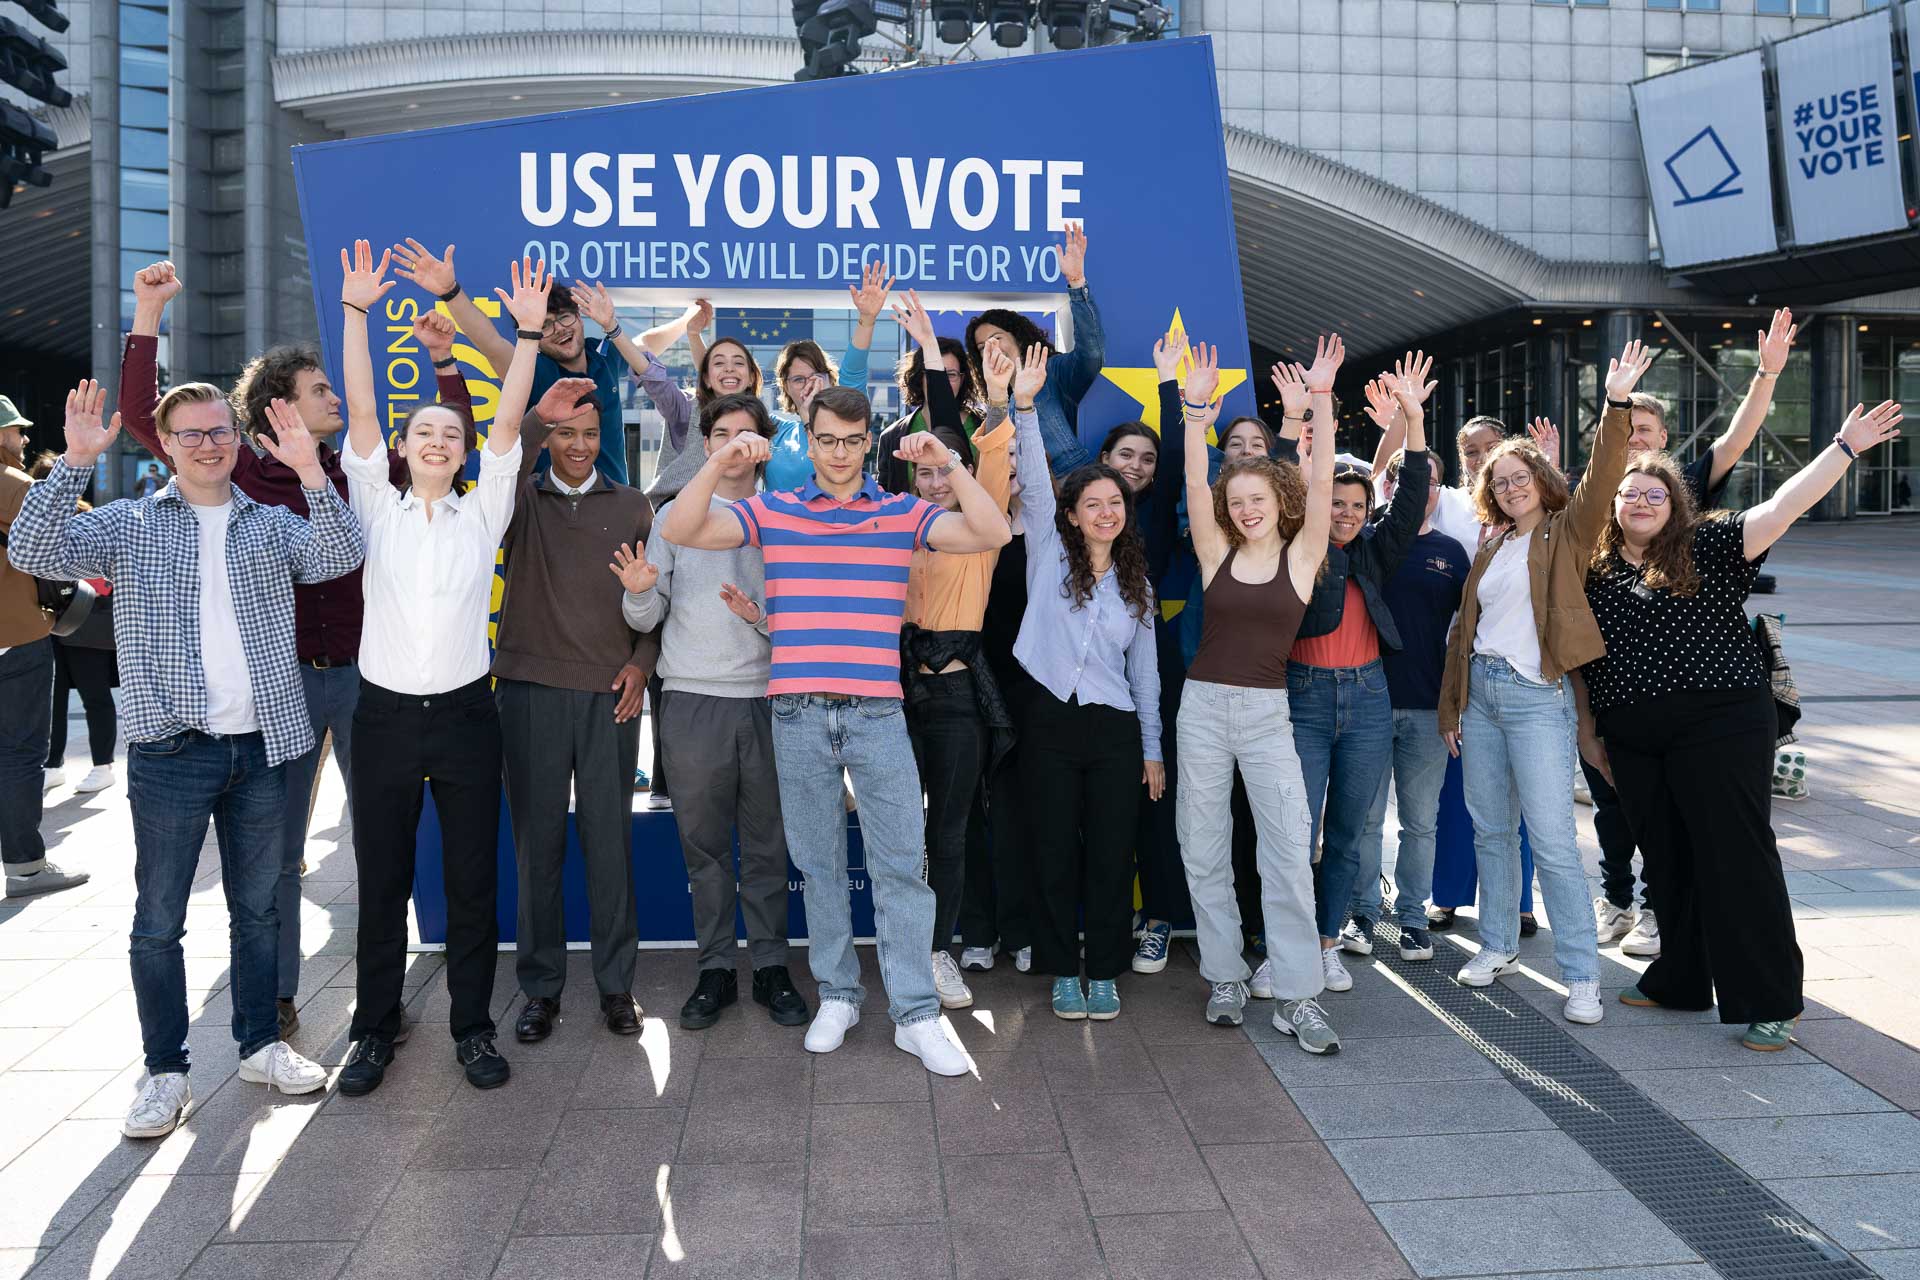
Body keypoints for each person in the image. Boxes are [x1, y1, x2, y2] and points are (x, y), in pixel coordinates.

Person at [120, 259, 472, 1040]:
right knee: (274, 852)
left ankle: (386, 991)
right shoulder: (238, 468)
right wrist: (147, 315)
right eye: (321, 391)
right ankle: (275, 995)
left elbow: (453, 444)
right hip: (277, 689)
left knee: (379, 838)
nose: (335, 401)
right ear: (281, 404)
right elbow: (150, 420)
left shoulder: (358, 470)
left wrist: (446, 365)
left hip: (364, 683)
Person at [9, 378, 359, 1136]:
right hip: (171, 749)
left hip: (266, 747)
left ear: (237, 440)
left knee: (260, 909)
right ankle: (165, 1072)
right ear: (164, 444)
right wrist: (70, 462)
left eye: (220, 433)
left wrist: (309, 471)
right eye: (192, 434)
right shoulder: (131, 524)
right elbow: (32, 548)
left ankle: (261, 1045)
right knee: (158, 921)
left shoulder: (269, 522)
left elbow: (339, 554)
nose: (208, 445)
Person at [659, 384, 1009, 1075]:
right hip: (796, 711)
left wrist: (949, 463)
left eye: (854, 440)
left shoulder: (903, 510)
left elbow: (992, 531)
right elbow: (680, 527)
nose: (841, 453)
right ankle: (840, 995)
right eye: (828, 440)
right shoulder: (776, 508)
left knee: (902, 867)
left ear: (866, 439)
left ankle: (915, 1013)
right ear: (809, 440)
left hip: (878, 711)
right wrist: (724, 457)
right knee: (819, 865)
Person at [1579, 400, 1900, 1050]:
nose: (1639, 501)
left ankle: (1771, 997)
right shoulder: (1596, 569)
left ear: (1675, 503)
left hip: (1721, 723)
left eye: (1653, 493)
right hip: (1633, 735)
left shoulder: (1710, 544)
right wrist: (1589, 731)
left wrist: (1842, 448)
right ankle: (1682, 978)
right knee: (1667, 857)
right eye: (1628, 494)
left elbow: (1783, 506)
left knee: (1736, 856)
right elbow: (1582, 661)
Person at [334, 243, 540, 1097]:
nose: (436, 440)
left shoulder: (483, 510)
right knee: (379, 878)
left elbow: (510, 420)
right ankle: (374, 1029)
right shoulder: (373, 502)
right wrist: (356, 314)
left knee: (469, 882)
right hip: (381, 716)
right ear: (403, 445)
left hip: (463, 716)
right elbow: (358, 409)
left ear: (462, 453)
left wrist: (526, 335)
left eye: (449, 434)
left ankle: (471, 1027)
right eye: (423, 431)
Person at [1438, 339, 1652, 1025]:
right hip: (1484, 697)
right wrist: (1453, 709)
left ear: (1539, 476)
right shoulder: (1493, 545)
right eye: (1496, 480)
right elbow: (1464, 635)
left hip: (1536, 699)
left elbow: (1601, 477)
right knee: (1491, 831)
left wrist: (1616, 403)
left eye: (1517, 474)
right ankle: (1497, 943)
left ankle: (1582, 974)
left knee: (1554, 841)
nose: (1507, 485)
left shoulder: (1567, 532)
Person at [1587, 308, 1798, 960]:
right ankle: (1624, 900)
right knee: (1623, 811)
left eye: (1646, 432)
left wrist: (1764, 375)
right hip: (1621, 696)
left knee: (1704, 827)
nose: (1636, 442)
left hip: (1704, 690)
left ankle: (1658, 917)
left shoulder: (1679, 493)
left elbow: (1739, 438)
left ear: (1664, 440)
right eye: (1625, 430)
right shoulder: (1596, 501)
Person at [1174, 339, 1348, 1051]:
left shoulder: (1305, 553)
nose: (1245, 509)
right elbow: (1192, 483)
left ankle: (1299, 997)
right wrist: (1192, 414)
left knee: (1284, 851)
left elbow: (1324, 467)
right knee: (1204, 847)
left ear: (1281, 500)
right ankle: (1224, 976)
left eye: (1256, 499)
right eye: (1235, 501)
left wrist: (1324, 401)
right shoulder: (1215, 552)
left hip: (1268, 714)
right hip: (1203, 710)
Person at [617, 392, 809, 1032]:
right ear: (705, 446)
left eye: (745, 434)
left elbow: (808, 625)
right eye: (720, 433)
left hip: (768, 701)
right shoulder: (672, 516)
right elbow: (647, 613)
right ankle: (716, 968)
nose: (732, 444)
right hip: (693, 700)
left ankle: (773, 967)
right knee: (703, 846)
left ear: (763, 446)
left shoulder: (787, 513)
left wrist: (760, 621)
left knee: (766, 845)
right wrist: (639, 594)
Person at [492, 372, 659, 1044]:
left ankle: (617, 987)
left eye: (590, 434)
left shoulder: (634, 506)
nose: (580, 445)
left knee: (608, 843)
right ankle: (540, 991)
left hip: (608, 697)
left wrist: (640, 668)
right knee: (539, 847)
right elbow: (505, 463)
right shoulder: (517, 503)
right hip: (530, 693)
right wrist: (536, 420)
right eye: (567, 433)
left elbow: (653, 605)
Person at [1006, 346, 1163, 1022]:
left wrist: (1152, 749)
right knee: (1050, 849)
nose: (1105, 511)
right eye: (1092, 503)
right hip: (1046, 719)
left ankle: (1103, 971)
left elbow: (1146, 677)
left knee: (1109, 853)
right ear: (1072, 514)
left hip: (1113, 730)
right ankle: (1059, 970)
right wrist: (1024, 406)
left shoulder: (1139, 586)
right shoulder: (1046, 550)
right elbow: (1037, 483)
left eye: (1115, 503)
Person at [1286, 351, 1432, 994]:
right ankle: (1283, 945)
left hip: (1369, 698)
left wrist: (1414, 421)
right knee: (1294, 829)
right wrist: (1312, 413)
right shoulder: (1303, 545)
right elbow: (1294, 487)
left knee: (1346, 831)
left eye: (1355, 503)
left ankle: (1324, 943)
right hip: (1304, 698)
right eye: (1335, 501)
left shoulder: (1376, 548)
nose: (1344, 512)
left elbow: (1413, 497)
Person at [892, 293, 1017, 1010]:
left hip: (959, 697)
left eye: (948, 469)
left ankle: (941, 952)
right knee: (903, 833)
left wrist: (977, 395)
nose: (937, 479)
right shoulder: (894, 523)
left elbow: (977, 456)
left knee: (950, 828)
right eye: (927, 470)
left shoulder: (980, 529)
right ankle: (907, 948)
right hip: (892, 696)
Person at [390, 239, 640, 485]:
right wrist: (450, 291)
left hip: (614, 501)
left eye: (564, 318)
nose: (559, 330)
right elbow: (490, 342)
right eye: (544, 326)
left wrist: (681, 318)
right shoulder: (533, 369)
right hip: (548, 505)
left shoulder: (604, 354)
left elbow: (647, 346)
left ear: (578, 316)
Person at [1350, 444, 1469, 962]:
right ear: (1387, 486)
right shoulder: (1366, 542)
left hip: (1426, 708)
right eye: (1397, 477)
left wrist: (1456, 704)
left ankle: (1413, 917)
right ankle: (1361, 913)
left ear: (1437, 491)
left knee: (1420, 822)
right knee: (1364, 819)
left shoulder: (1452, 552)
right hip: (1367, 703)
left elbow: (1467, 633)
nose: (1412, 486)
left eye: (1425, 479)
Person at [1093, 344, 1190, 979]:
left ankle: (1158, 918)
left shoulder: (1153, 512)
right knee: (1103, 803)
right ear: (1103, 462)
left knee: (1157, 796)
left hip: (1152, 666)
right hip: (1091, 674)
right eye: (1125, 455)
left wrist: (1168, 385)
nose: (1136, 466)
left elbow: (1181, 458)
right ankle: (1107, 916)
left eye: (1147, 459)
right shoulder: (1083, 512)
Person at [1, 396, 89, 900]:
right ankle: (26, 867)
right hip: (14, 638)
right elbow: (62, 537)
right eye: (16, 431)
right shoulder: (15, 486)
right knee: (18, 753)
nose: (24, 438)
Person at [963, 222, 1098, 476]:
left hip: (1071, 486)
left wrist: (1077, 283)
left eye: (997, 337)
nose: (991, 347)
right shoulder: (997, 402)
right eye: (981, 347)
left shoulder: (1052, 371)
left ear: (1018, 338)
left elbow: (1091, 355)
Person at [28, 453, 120, 795]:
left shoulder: (85, 518)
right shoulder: (29, 523)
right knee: (53, 700)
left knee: (94, 695)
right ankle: (53, 764)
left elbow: (102, 577)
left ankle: (103, 765)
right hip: (47, 623)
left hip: (85, 623)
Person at [876, 334, 981, 494]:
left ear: (962, 379)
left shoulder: (983, 427)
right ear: (919, 377)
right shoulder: (892, 437)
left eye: (951, 375)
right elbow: (886, 497)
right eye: (933, 374)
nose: (942, 382)